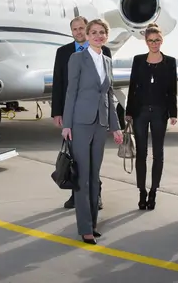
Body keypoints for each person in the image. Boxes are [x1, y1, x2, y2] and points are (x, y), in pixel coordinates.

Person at [62, 18, 124, 244]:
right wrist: (67, 124)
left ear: (106, 36)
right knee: (82, 178)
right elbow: (71, 92)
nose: (98, 36)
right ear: (86, 36)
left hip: (100, 125)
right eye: (94, 32)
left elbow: (108, 94)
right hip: (79, 123)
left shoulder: (107, 60)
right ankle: (85, 228)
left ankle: (93, 224)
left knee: (94, 177)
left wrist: (116, 127)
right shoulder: (77, 58)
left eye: (102, 32)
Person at [52, 15, 117, 210]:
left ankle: (95, 195)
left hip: (96, 116)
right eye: (75, 29)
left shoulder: (104, 52)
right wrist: (58, 112)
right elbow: (60, 84)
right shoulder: (64, 53)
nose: (79, 32)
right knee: (75, 158)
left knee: (94, 159)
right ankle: (76, 193)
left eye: (82, 28)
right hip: (74, 114)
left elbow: (107, 87)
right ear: (71, 32)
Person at [124, 22, 178, 210]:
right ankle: (142, 192)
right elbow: (132, 87)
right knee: (141, 153)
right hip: (140, 113)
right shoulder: (138, 60)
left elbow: (172, 89)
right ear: (145, 41)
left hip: (160, 113)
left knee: (158, 153)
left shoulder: (170, 62)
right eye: (150, 40)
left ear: (162, 40)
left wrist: (173, 113)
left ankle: (153, 191)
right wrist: (129, 112)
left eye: (157, 40)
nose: (154, 43)